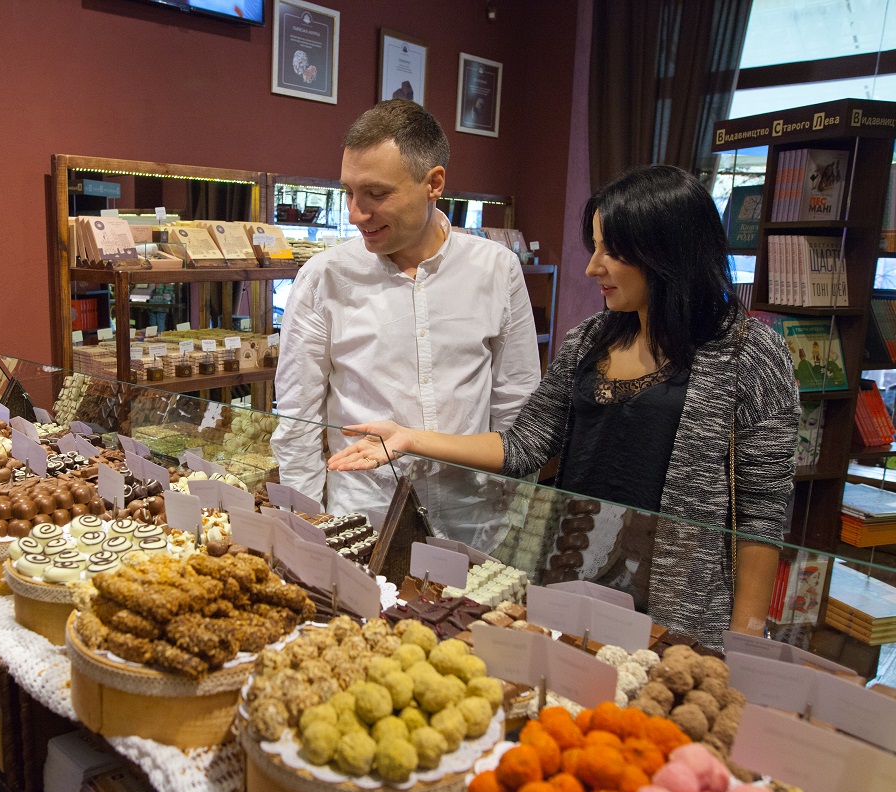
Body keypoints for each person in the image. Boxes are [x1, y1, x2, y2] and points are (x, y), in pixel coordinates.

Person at [329, 165, 799, 648]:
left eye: (611, 251)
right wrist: (410, 438)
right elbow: (525, 445)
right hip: (574, 577)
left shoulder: (749, 354)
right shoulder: (589, 341)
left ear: (668, 253)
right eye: (593, 247)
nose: (593, 267)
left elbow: (762, 510)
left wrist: (747, 633)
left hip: (677, 606)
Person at [271, 99, 541, 527]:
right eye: (349, 192)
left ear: (433, 183)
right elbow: (297, 420)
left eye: (376, 194)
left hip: (472, 518)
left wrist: (515, 514)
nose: (355, 213)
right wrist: (305, 526)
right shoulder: (324, 277)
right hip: (363, 516)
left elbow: (516, 402)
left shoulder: (497, 269)